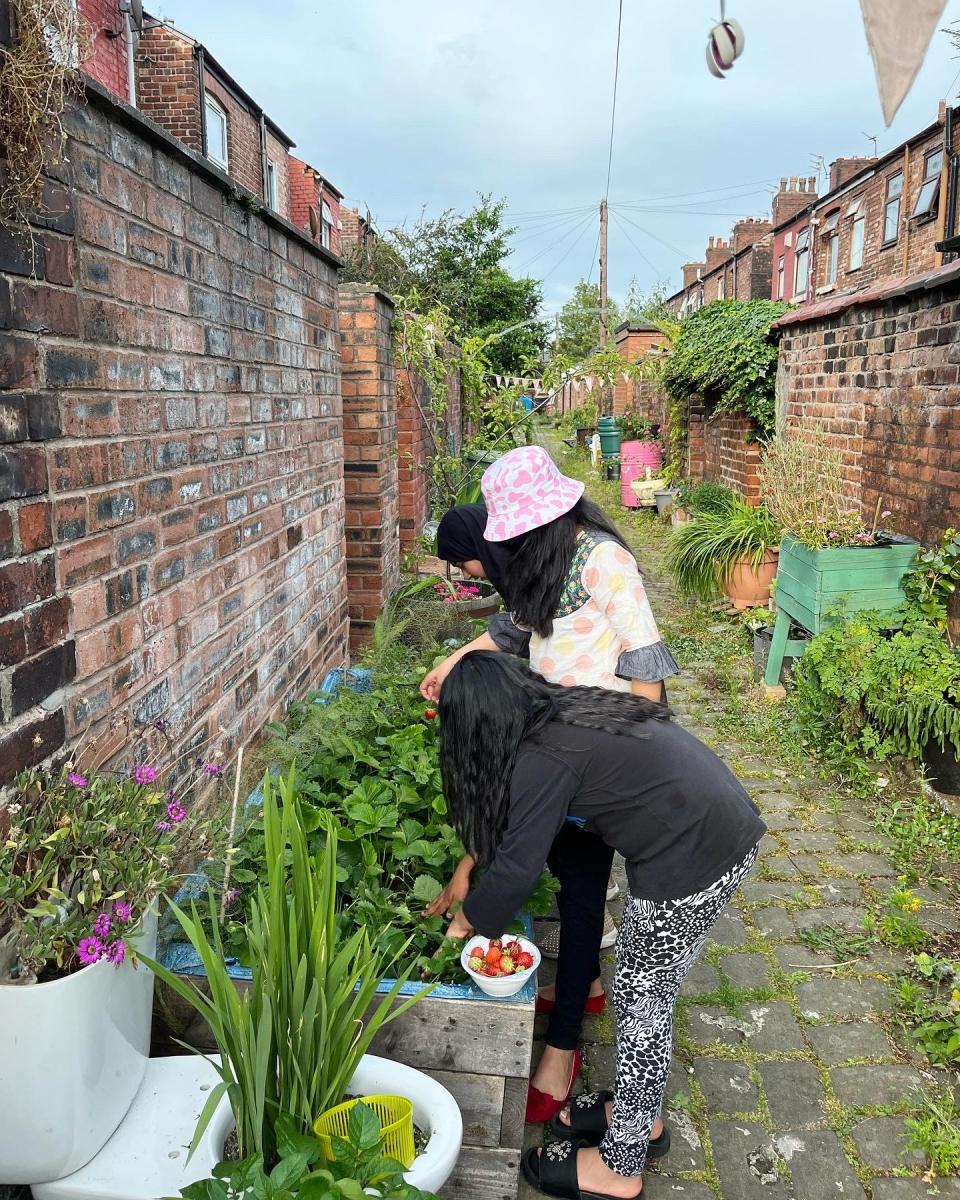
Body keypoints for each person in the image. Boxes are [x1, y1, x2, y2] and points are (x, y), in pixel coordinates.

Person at [438, 652, 765, 1200]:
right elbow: (516, 833)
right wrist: (472, 867)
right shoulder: (556, 712)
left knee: (642, 1009)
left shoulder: (544, 757)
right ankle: (641, 1120)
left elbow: (519, 867)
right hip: (712, 826)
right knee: (646, 999)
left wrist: (465, 924)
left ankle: (621, 1166)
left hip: (696, 854)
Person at [422, 448, 679, 1119]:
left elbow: (646, 667)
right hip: (543, 740)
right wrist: (456, 660)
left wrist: (635, 756)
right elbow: (512, 633)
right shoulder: (542, 559)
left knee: (584, 883)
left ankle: (562, 1047)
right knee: (567, 874)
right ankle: (584, 983)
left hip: (595, 754)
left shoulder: (604, 560)